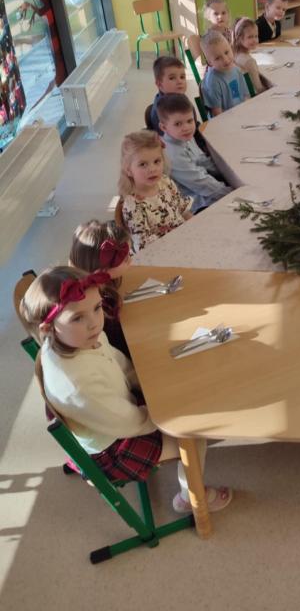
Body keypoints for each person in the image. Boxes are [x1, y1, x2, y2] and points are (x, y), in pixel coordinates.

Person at [20, 267, 232, 513]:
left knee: (171, 379)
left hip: (114, 414)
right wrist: (164, 417)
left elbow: (119, 362)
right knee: (193, 433)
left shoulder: (80, 339)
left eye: (97, 308)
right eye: (77, 318)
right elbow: (128, 423)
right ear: (48, 329)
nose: (94, 323)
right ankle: (190, 497)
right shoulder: (77, 385)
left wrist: (144, 384)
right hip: (115, 445)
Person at [119, 130, 192, 252]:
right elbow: (144, 246)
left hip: (184, 240)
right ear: (128, 170)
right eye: (143, 164)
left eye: (157, 161)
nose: (152, 169)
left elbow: (183, 210)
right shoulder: (133, 205)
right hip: (163, 251)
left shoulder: (165, 182)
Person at [157, 93, 231, 213]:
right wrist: (231, 192)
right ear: (164, 127)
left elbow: (203, 161)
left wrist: (227, 172)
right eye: (178, 124)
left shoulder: (184, 135)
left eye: (190, 121)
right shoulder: (172, 155)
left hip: (208, 187)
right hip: (196, 204)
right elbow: (201, 183)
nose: (186, 127)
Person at [69, 220, 132, 358]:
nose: (130, 259)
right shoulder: (99, 307)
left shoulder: (104, 285)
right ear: (102, 270)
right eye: (125, 258)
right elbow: (123, 349)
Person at [200, 29, 249, 116]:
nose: (225, 60)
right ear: (210, 63)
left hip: (242, 114)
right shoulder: (213, 81)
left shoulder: (236, 70)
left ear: (231, 48)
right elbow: (217, 114)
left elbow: (246, 97)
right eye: (217, 58)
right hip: (225, 119)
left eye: (226, 52)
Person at [232, 16, 269, 94]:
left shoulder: (235, 55)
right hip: (255, 97)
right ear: (239, 38)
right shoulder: (249, 61)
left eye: (256, 36)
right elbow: (259, 89)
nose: (255, 40)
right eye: (250, 37)